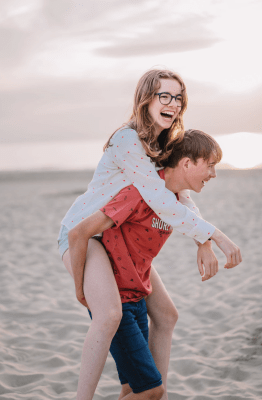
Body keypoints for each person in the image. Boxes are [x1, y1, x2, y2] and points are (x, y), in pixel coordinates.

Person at [58, 69, 242, 400]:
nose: (173, 103)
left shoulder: (161, 144)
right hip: (87, 234)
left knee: (167, 314)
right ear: (147, 99)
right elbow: (157, 198)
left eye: (178, 97)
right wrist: (217, 236)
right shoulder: (128, 139)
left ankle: (153, 392)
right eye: (164, 96)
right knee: (110, 314)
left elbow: (180, 198)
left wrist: (203, 240)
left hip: (117, 235)